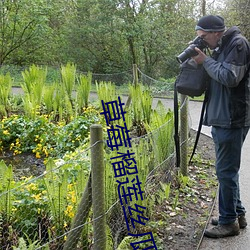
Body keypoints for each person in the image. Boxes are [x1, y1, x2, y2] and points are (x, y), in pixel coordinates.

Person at [192, 15, 250, 238]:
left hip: (232, 118)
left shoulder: (238, 44)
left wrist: (205, 61)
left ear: (216, 32)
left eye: (204, 37)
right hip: (222, 117)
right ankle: (237, 214)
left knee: (225, 171)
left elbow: (229, 77)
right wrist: (202, 59)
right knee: (227, 171)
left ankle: (228, 223)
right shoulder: (221, 46)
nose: (203, 41)